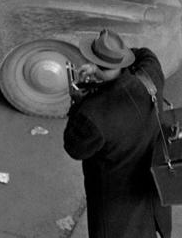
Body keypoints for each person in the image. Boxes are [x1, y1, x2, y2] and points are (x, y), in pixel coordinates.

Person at [63, 30, 171, 238]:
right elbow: (144, 54)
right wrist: (116, 58)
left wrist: (77, 102)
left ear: (93, 64)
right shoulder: (151, 75)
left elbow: (74, 148)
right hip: (151, 189)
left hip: (115, 205)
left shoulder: (92, 114)